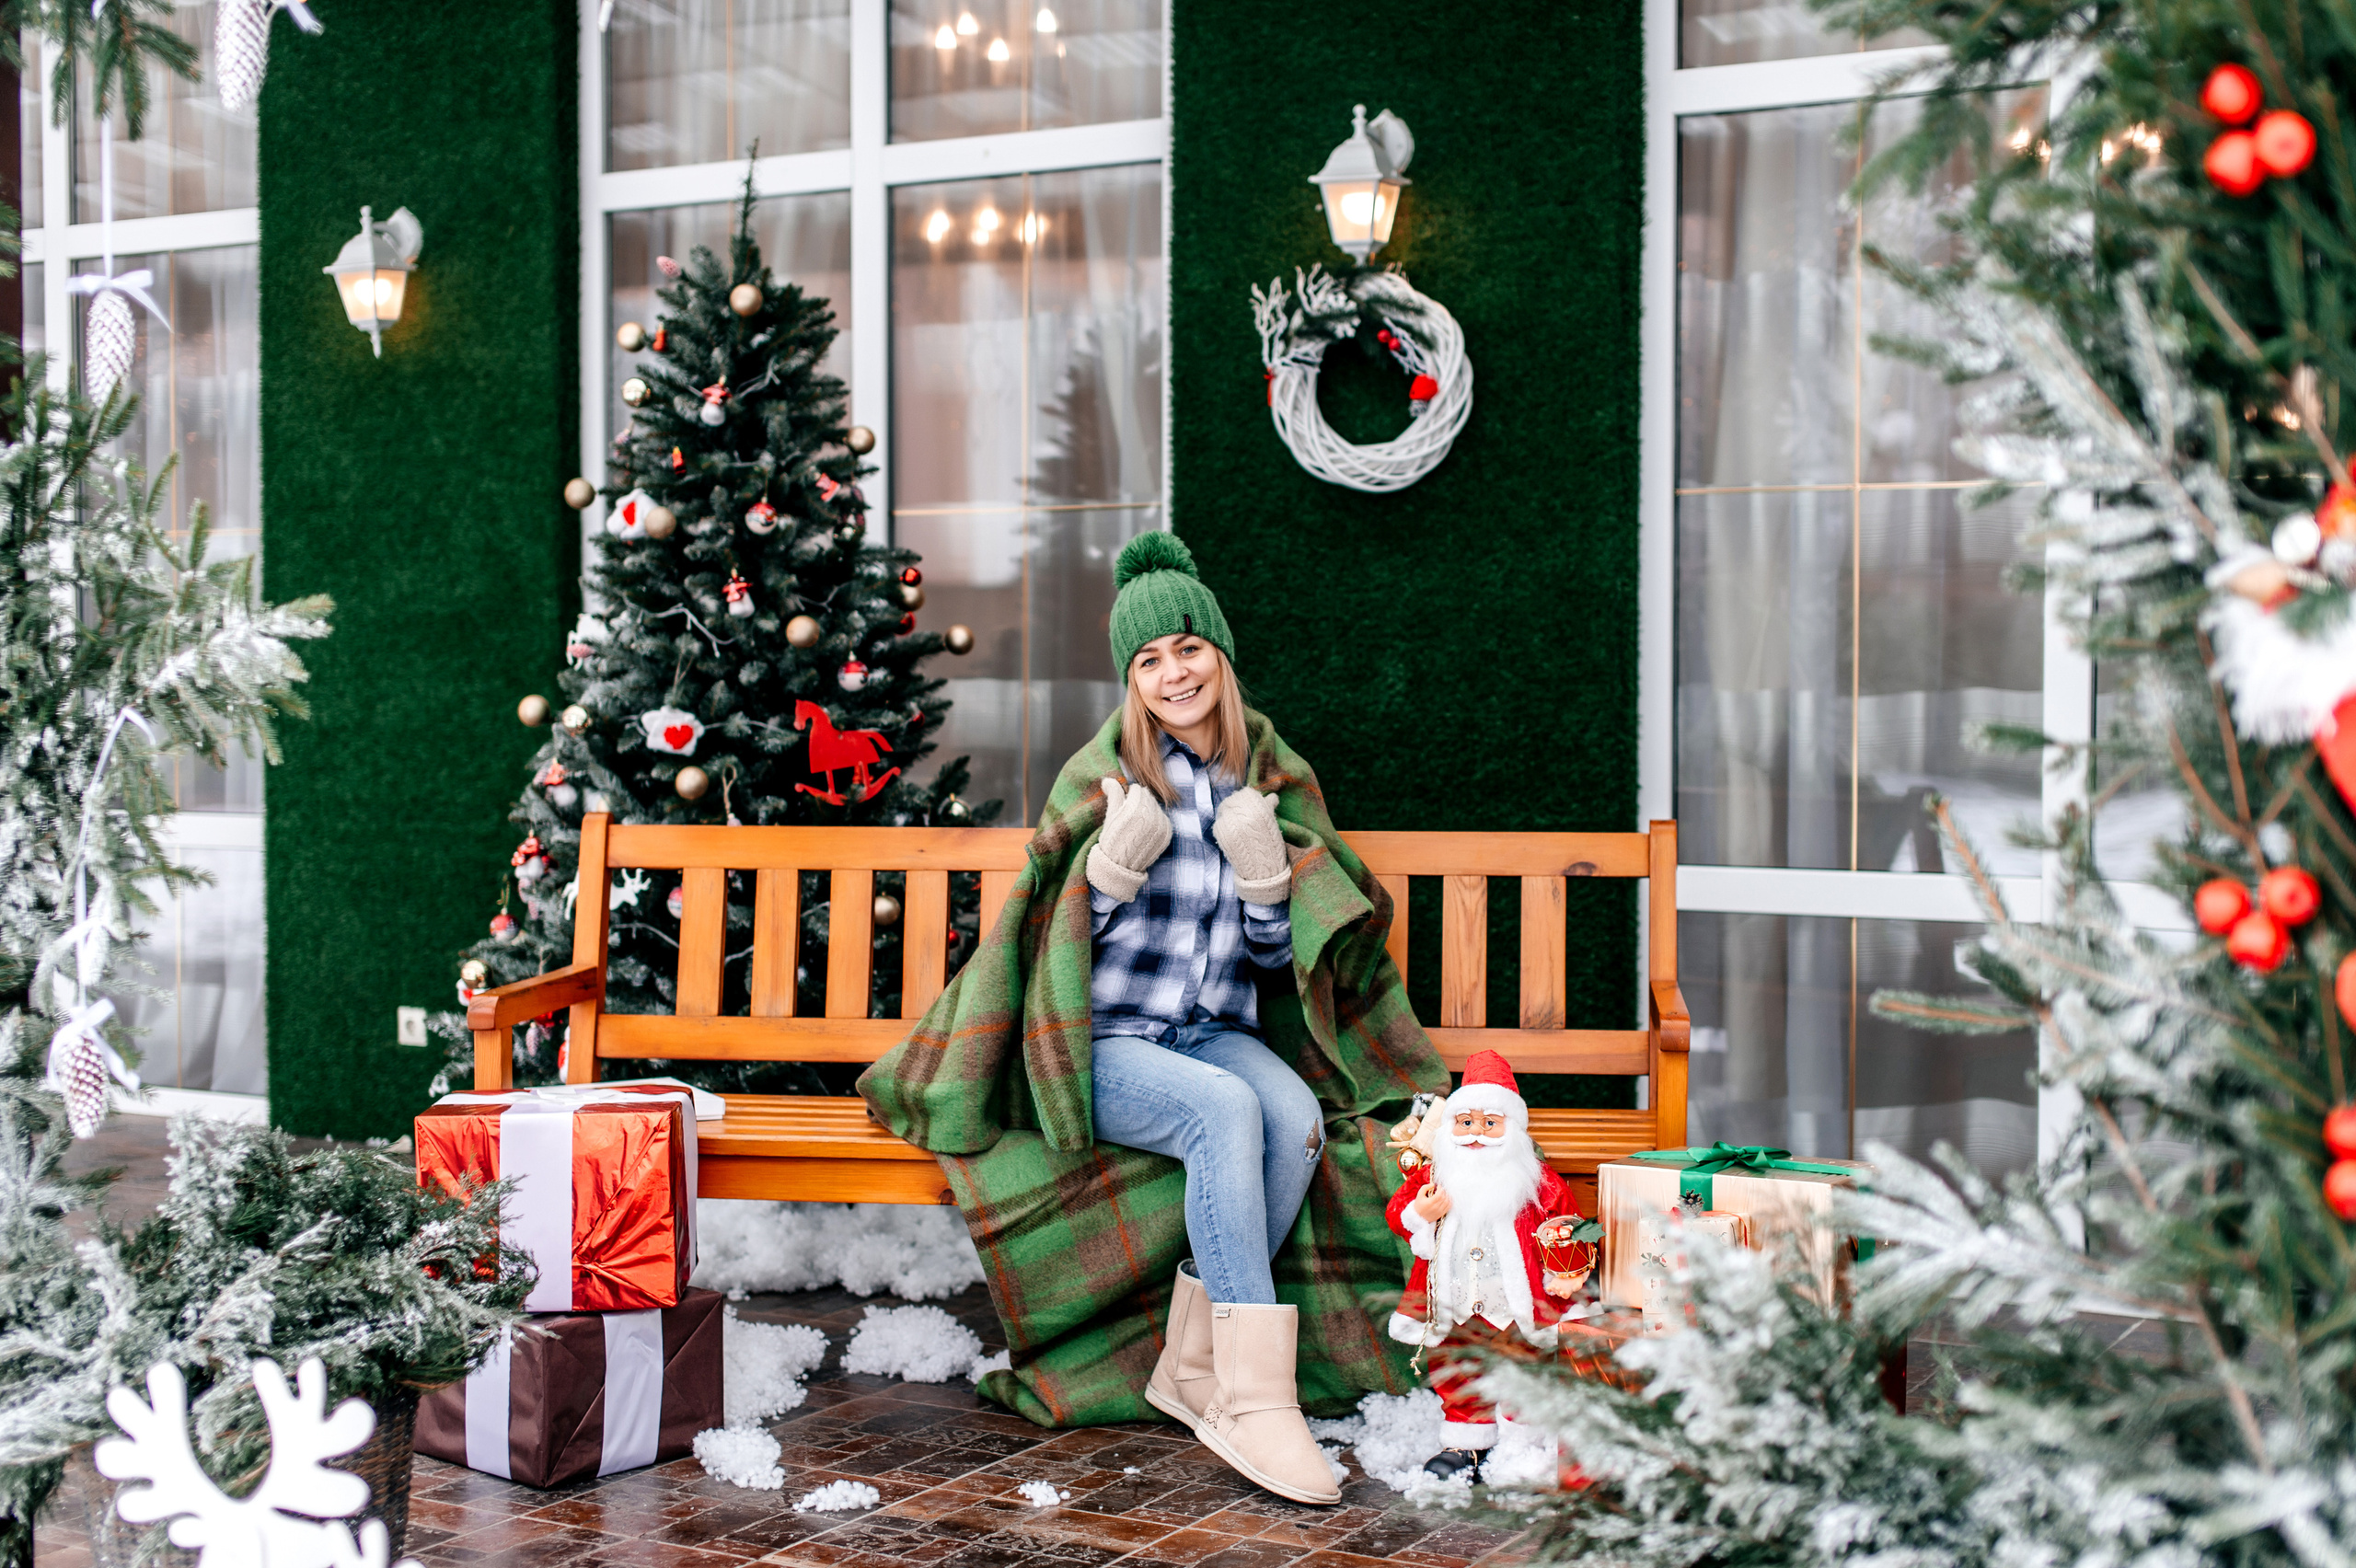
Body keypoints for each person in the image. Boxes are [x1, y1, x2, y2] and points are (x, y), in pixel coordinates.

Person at [860, 531, 1447, 1505]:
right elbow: (1038, 952)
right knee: (1222, 1114)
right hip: (1098, 1047)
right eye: (1149, 660)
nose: (1173, 673)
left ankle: (1189, 1358)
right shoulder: (1106, 779)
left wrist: (1267, 885)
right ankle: (1251, 1402)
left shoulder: (1268, 773)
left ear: (1218, 654)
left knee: (1295, 1119)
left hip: (1210, 1031)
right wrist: (1106, 878)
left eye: (1187, 648)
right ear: (1131, 681)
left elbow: (1273, 970)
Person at [1384, 1051, 1589, 1483]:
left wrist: (1568, 1267)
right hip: (1456, 1304)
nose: (1477, 1133)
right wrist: (1420, 1212)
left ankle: (1522, 1445)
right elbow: (1398, 1213)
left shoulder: (1537, 1181)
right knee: (1457, 1365)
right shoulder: (1434, 1177)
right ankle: (1465, 1442)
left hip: (1517, 1303)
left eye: (1490, 1123)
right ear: (1450, 1127)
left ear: (1511, 1129)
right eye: (1466, 1123)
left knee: (1525, 1365)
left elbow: (1569, 1224)